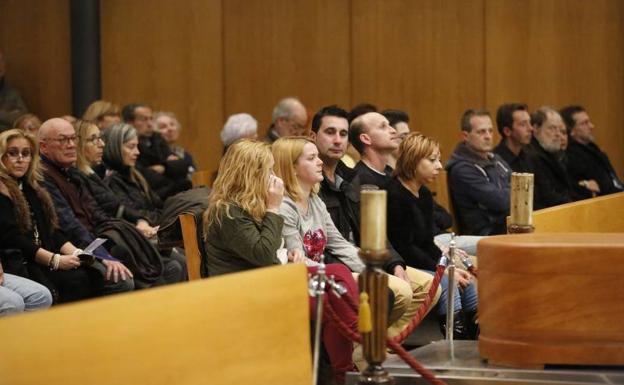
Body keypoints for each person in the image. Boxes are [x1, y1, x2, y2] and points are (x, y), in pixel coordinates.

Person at [203, 139, 358, 384]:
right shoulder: (229, 211)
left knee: (336, 273)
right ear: (251, 173)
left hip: (269, 280)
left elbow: (269, 251)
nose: (275, 176)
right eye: (269, 170)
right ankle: (349, 358)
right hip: (242, 291)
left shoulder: (253, 203)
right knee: (332, 290)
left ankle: (344, 370)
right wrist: (273, 208)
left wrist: (288, 255)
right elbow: (263, 254)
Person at [310, 105, 439, 337]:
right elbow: (326, 244)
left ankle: (383, 344)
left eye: (343, 133)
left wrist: (395, 264)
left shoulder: (350, 179)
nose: (338, 140)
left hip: (365, 256)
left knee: (430, 287)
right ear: (313, 137)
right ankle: (370, 349)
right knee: (400, 289)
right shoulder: (313, 183)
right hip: (339, 265)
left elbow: (375, 230)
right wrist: (374, 267)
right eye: (330, 132)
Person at [272, 136, 418, 339]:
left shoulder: (314, 199)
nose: (320, 162)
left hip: (327, 274)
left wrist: (372, 270)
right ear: (292, 167)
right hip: (311, 279)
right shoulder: (284, 207)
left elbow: (338, 243)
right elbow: (298, 262)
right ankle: (367, 350)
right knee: (394, 291)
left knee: (401, 289)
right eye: (312, 158)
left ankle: (378, 346)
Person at [0, 129, 118, 303]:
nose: (20, 159)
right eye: (12, 153)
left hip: (43, 256)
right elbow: (13, 239)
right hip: (22, 261)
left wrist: (77, 252)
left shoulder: (32, 188)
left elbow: (52, 230)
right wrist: (54, 260)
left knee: (93, 273)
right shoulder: (3, 190)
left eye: (26, 154)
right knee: (76, 280)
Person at [387, 132, 478, 339]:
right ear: (413, 161)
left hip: (421, 260)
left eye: (438, 159)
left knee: (468, 282)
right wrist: (444, 272)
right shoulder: (394, 194)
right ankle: (453, 349)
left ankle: (472, 345)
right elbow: (405, 248)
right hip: (401, 263)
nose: (439, 166)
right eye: (432, 160)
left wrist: (448, 267)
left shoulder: (424, 194)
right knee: (450, 285)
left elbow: (427, 242)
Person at [38, 118, 136, 294]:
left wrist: (132, 228)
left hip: (92, 237)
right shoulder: (43, 176)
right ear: (43, 147)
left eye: (73, 139)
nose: (71, 145)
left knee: (145, 253)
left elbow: (95, 212)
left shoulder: (70, 171)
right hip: (70, 247)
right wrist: (102, 254)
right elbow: (68, 223)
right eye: (62, 140)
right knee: (122, 279)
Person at [446, 109, 511, 235]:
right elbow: (499, 202)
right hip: (484, 233)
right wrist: (514, 193)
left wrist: (515, 194)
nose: (488, 136)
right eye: (481, 132)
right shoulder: (462, 169)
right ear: (465, 136)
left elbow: (523, 188)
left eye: (490, 131)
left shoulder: (495, 159)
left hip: (504, 225)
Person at [122, 103, 191, 199]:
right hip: (151, 198)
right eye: (144, 119)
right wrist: (171, 168)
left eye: (151, 119)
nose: (150, 124)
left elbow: (182, 166)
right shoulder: (126, 146)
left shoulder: (157, 139)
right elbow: (144, 176)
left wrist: (164, 167)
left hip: (172, 193)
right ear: (130, 122)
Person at [560, 105, 623, 198]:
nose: (591, 126)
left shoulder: (592, 147)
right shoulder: (571, 156)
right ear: (571, 130)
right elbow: (599, 187)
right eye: (584, 123)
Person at [528, 107, 578, 209]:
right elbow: (547, 196)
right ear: (536, 129)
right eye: (552, 128)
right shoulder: (532, 156)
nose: (557, 134)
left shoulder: (552, 152)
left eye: (559, 129)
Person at [493, 103, 534, 173]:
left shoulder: (530, 156)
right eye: (523, 124)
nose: (531, 128)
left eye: (530, 123)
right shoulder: (496, 162)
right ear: (507, 131)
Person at [154, 111, 196, 177]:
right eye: (163, 127)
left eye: (172, 124)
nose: (170, 129)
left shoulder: (184, 154)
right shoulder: (155, 156)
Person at [0, 49, 28, 132]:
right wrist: (8, 114)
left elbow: (22, 118)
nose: (0, 65)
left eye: (1, 61)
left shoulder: (11, 93)